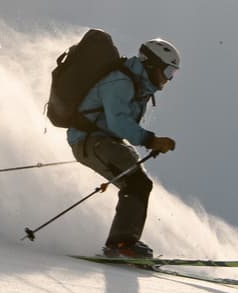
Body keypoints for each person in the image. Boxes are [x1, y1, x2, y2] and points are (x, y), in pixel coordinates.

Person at [67, 38, 182, 259]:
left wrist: (148, 140)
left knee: (140, 184)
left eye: (173, 75)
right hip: (90, 140)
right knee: (136, 183)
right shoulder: (121, 82)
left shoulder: (139, 85)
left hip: (105, 141)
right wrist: (150, 140)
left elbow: (119, 126)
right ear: (151, 64)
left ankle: (124, 242)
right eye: (168, 72)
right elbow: (118, 122)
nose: (168, 80)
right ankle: (122, 244)